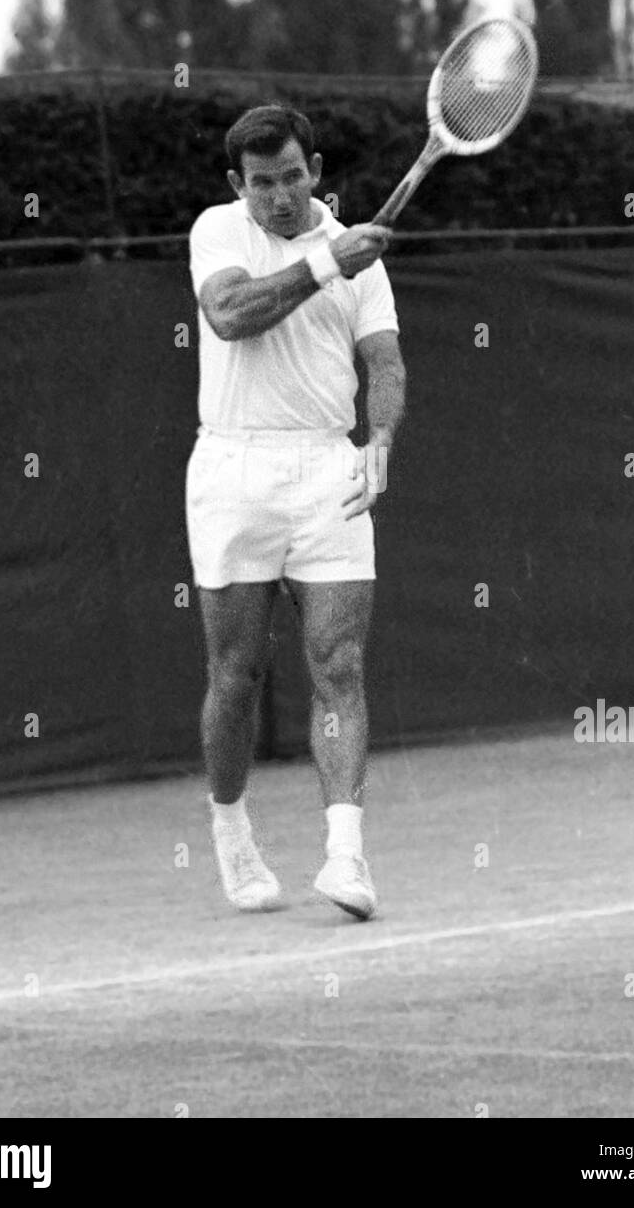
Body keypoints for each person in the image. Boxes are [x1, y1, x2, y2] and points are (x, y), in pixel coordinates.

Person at [186, 103, 406, 921]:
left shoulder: (363, 260)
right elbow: (230, 316)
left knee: (339, 665)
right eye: (260, 184)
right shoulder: (216, 231)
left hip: (328, 469)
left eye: (290, 177)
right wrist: (325, 264)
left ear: (315, 170)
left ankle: (346, 857)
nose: (277, 197)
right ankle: (232, 832)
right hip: (233, 468)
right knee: (235, 676)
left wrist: (379, 436)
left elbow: (383, 359)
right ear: (235, 186)